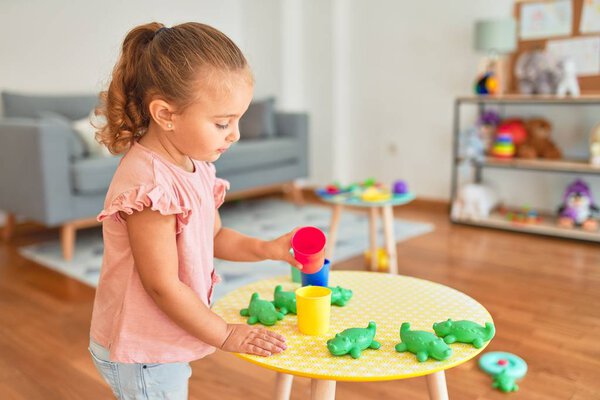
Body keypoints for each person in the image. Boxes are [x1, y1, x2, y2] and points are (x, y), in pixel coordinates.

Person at [88, 22, 303, 399]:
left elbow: (215, 236)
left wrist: (268, 249)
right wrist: (224, 333)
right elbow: (162, 284)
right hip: (142, 350)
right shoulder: (150, 188)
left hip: (163, 339)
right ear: (166, 115)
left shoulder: (196, 164)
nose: (234, 134)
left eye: (238, 119)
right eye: (222, 122)